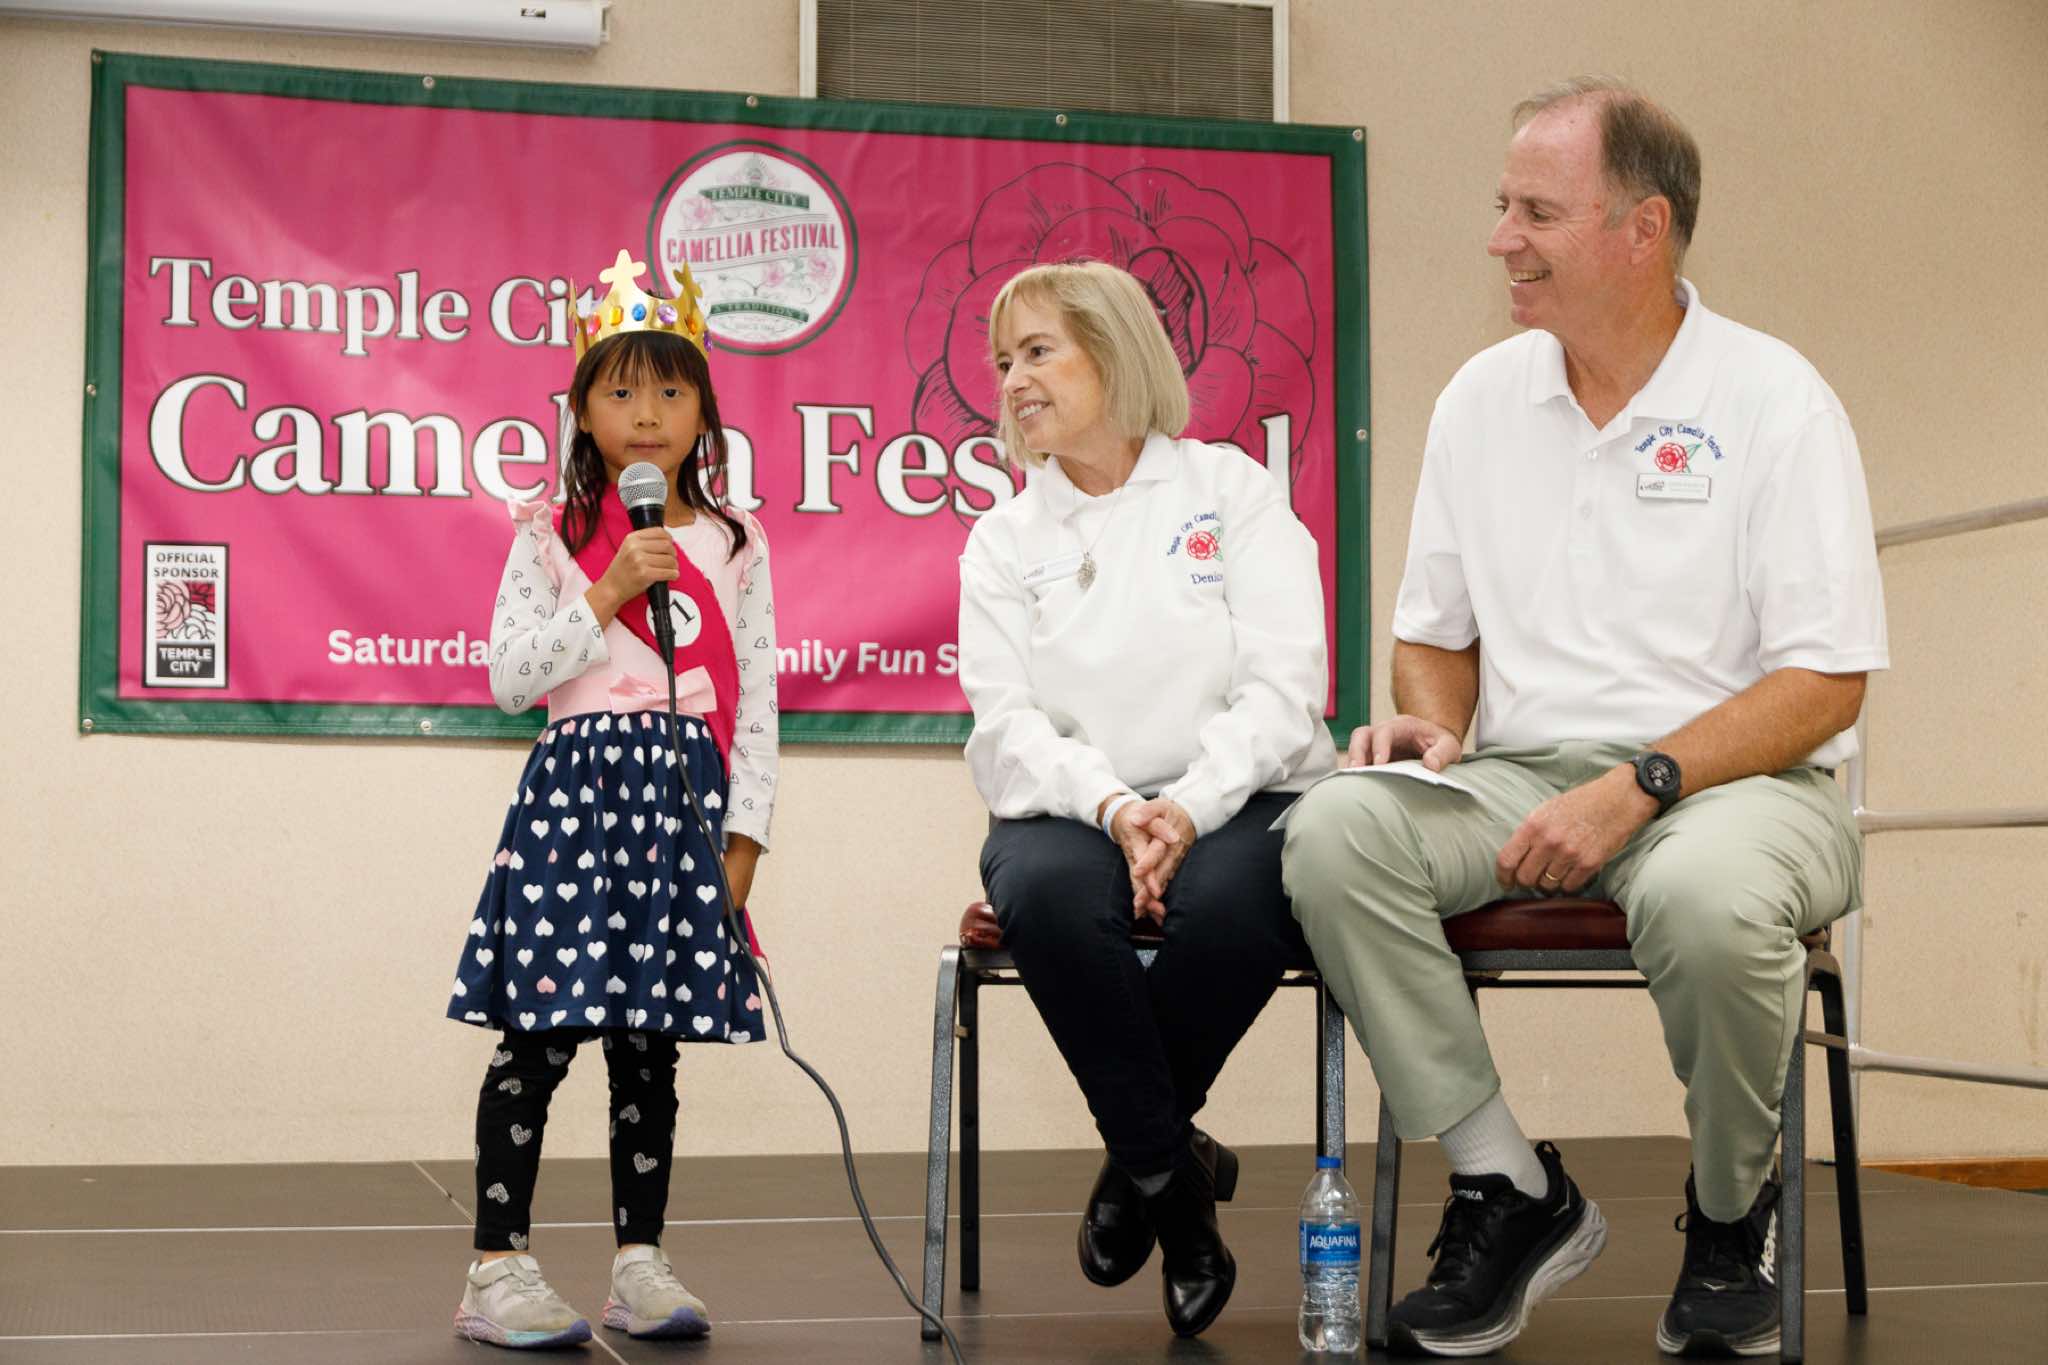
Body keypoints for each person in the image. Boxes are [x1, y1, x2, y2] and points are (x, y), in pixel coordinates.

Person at [1281, 78, 1887, 1359]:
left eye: (1535, 212)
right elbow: (1431, 637)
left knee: (1709, 902)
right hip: (1519, 774)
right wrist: (1433, 728)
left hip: (1744, 784)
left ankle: (1729, 1215)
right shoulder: (1478, 399)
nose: (1499, 237)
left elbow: (1824, 683)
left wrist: (1640, 785)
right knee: (1333, 832)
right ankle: (1507, 1187)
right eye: (1501, 205)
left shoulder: (1773, 399)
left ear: (1641, 228)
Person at [956, 259, 1339, 1338]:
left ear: (1114, 351)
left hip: (1245, 793)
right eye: (1003, 361)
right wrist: (1119, 809)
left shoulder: (1231, 490)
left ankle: (1140, 1157)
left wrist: (1191, 807)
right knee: (1043, 898)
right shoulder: (1003, 539)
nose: (1012, 380)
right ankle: (1177, 1192)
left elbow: (1284, 687)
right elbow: (1007, 726)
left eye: (1038, 351)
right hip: (1074, 809)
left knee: (1236, 907)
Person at [443, 251, 779, 1350]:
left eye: (671, 391)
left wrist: (744, 839)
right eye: (621, 390)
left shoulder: (735, 540)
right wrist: (605, 591)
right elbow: (509, 678)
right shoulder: (550, 531)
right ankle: (497, 1267)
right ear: (582, 409)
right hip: (576, 803)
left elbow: (758, 700)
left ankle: (640, 1262)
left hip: (680, 806)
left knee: (649, 1043)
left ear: (703, 412)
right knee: (539, 1036)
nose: (646, 414)